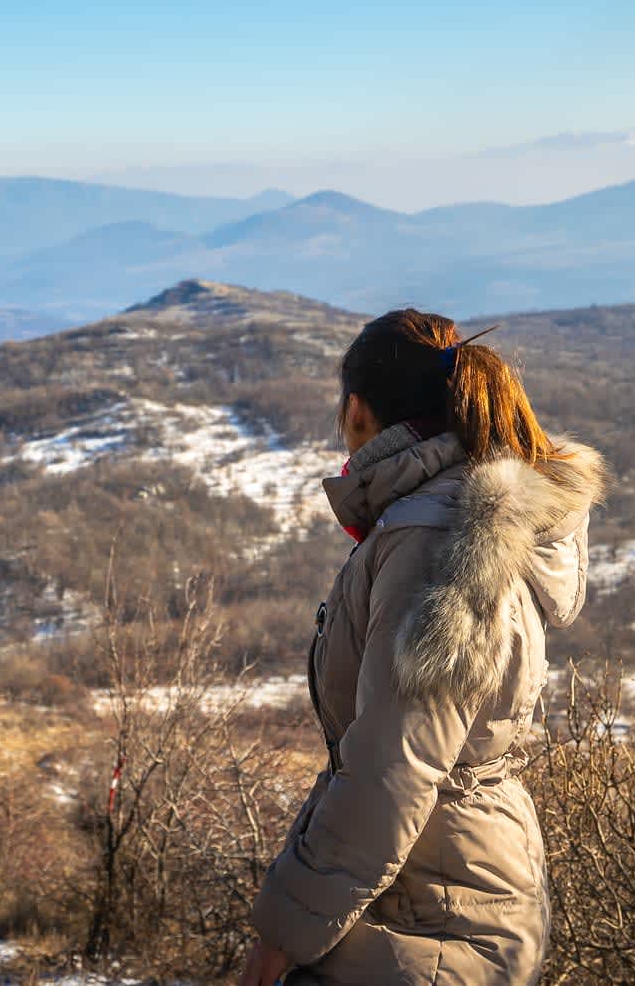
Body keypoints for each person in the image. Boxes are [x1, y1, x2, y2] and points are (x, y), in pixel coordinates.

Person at [238, 308, 606, 986]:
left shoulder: (440, 538)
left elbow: (394, 769)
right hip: (445, 892)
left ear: (356, 413)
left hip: (434, 921)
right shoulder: (449, 517)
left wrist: (283, 933)